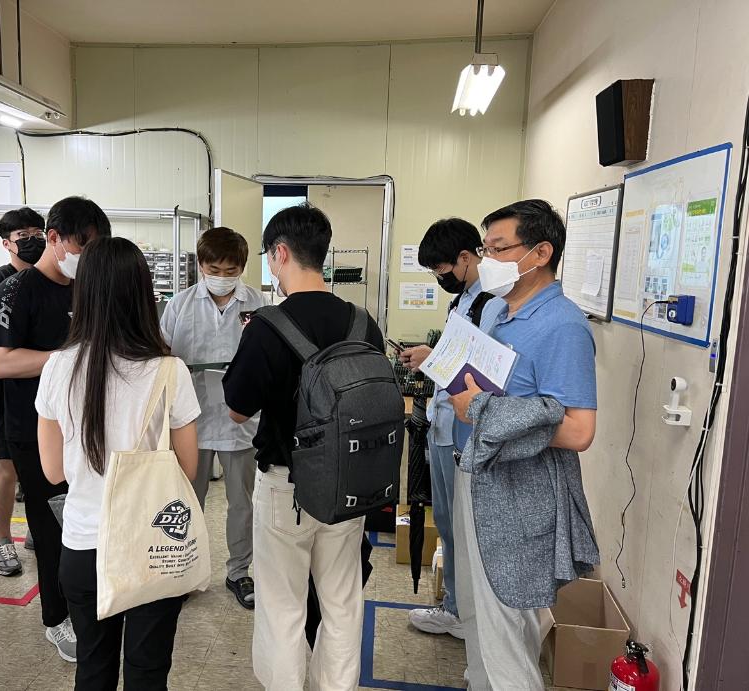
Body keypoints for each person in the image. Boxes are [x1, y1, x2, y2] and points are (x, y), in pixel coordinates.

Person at [223, 204, 384, 691]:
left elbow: (237, 409)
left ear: (281, 253)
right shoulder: (364, 324)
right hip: (349, 485)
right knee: (342, 601)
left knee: (282, 604)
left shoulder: (266, 326)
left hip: (286, 485)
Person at [37, 236, 201, 690]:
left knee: (93, 669)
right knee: (148, 673)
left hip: (83, 545)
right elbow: (188, 468)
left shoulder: (57, 366)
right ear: (143, 294)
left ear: (84, 292)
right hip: (153, 547)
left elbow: (53, 472)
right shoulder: (170, 371)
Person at [449, 200, 599, 691]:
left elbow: (579, 430)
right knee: (479, 611)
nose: (486, 260)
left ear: (540, 253)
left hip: (520, 495)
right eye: (484, 249)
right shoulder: (499, 311)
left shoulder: (562, 325)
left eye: (498, 249)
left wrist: (482, 409)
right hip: (480, 472)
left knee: (507, 626)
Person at [0, 196, 111, 662]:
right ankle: (57, 619)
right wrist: (67, 359)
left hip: (88, 426)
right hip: (35, 430)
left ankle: (88, 602)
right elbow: (1, 362)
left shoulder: (87, 287)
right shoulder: (17, 290)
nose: (86, 258)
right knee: (51, 528)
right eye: (82, 246)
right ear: (54, 238)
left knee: (86, 522)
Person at [398, 218, 504, 639]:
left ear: (465, 257)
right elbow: (460, 355)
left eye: (441, 269)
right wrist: (432, 355)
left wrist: (437, 359)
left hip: (465, 432)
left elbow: (484, 373)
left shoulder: (493, 304)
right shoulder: (464, 301)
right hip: (444, 425)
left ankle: (463, 613)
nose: (439, 277)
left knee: (463, 527)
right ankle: (456, 604)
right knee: (446, 519)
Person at [159, 226, 266, 609]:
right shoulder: (180, 305)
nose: (222, 276)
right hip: (190, 421)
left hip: (241, 421)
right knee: (188, 502)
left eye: (230, 270)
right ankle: (185, 570)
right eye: (214, 269)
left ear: (242, 267)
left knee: (242, 503)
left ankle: (238, 571)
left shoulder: (258, 304)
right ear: (201, 266)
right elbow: (163, 356)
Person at [0, 207, 46, 577]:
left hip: (44, 387)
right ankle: (2, 541)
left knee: (44, 464)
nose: (32, 241)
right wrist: (15, 336)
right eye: (23, 236)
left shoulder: (48, 280)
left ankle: (38, 527)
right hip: (8, 390)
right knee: (8, 467)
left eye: (37, 233)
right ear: (6, 243)